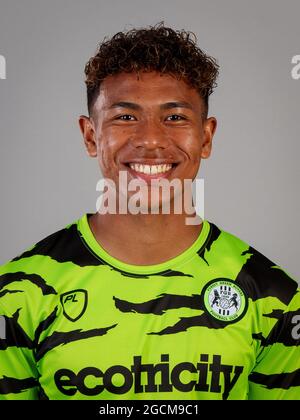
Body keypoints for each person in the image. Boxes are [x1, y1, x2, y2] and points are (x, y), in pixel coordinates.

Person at [0, 23, 299, 401]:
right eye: (125, 117)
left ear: (205, 137)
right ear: (90, 136)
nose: (151, 140)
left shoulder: (274, 298)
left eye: (174, 117)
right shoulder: (16, 295)